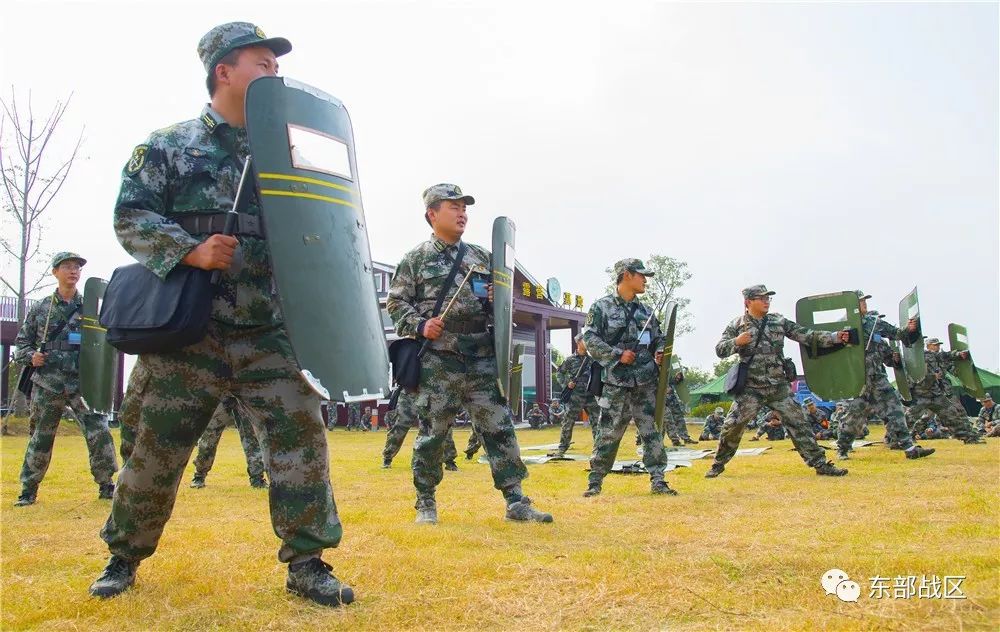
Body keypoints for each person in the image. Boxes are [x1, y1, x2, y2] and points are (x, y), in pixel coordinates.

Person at [89, 23, 352, 607]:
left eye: (276, 65)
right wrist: (188, 249)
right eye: (262, 63)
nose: (274, 73)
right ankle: (123, 556)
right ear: (223, 71)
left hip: (270, 331)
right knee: (153, 449)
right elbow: (130, 215)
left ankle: (309, 562)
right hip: (188, 329)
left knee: (299, 442)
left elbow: (326, 224)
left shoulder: (292, 148)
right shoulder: (168, 145)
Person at [385, 183, 552, 525]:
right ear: (432, 214)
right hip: (439, 358)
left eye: (465, 208)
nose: (462, 213)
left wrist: (495, 299)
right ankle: (426, 502)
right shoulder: (416, 259)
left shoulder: (480, 257)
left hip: (480, 357)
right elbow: (396, 302)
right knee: (433, 433)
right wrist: (419, 325)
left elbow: (503, 308)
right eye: (453, 207)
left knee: (498, 427)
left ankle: (516, 500)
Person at [705, 285, 849, 479]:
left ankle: (820, 464)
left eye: (768, 298)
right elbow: (720, 350)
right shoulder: (737, 325)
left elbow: (806, 334)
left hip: (778, 386)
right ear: (748, 302)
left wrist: (834, 337)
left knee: (799, 423)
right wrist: (736, 342)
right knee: (732, 426)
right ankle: (718, 464)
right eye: (761, 298)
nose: (766, 301)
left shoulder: (778, 321)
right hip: (751, 389)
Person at [13, 252, 118, 507]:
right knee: (41, 437)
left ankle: (106, 484)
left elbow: (105, 342)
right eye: (67, 267)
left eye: (77, 268)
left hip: (84, 383)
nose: (73, 271)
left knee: (99, 432)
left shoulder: (91, 309)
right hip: (48, 382)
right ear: (55, 272)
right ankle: (28, 489)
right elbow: (21, 345)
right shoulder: (42, 308)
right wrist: (30, 357)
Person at [581, 258, 676, 498]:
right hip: (616, 383)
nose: (645, 280)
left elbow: (659, 338)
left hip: (646, 381)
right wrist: (617, 354)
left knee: (652, 432)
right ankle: (595, 482)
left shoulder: (646, 311)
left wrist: (661, 350)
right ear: (626, 275)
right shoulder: (601, 308)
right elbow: (590, 340)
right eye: (641, 275)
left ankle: (658, 480)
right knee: (608, 434)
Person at [835, 292, 935, 461]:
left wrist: (909, 330)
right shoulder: (842, 325)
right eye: (861, 301)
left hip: (878, 380)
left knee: (896, 411)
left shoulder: (874, 323)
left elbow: (897, 334)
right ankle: (842, 449)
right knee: (852, 417)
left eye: (865, 301)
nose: (864, 304)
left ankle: (910, 449)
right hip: (858, 380)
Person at [902, 338, 984, 445]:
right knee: (910, 417)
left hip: (936, 394)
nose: (938, 347)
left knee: (952, 414)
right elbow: (911, 376)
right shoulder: (913, 358)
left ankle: (968, 437)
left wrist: (959, 354)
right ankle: (895, 438)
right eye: (935, 345)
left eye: (938, 345)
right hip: (921, 394)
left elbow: (945, 355)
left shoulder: (934, 355)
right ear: (928, 345)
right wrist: (932, 377)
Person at [190, 395, 268, 489]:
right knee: (209, 437)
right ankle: (199, 476)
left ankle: (257, 479)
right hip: (223, 392)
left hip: (243, 394)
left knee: (252, 438)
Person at [381, 390, 460, 470]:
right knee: (400, 427)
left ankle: (449, 461)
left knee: (442, 427)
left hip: (433, 393)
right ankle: (387, 458)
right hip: (410, 391)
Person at [554, 335, 603, 456]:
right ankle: (562, 448)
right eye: (584, 340)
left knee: (597, 422)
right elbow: (559, 373)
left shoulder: (592, 360)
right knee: (568, 422)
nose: (587, 343)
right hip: (575, 395)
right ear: (578, 343)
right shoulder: (570, 359)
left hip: (590, 396)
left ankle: (599, 450)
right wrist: (566, 384)